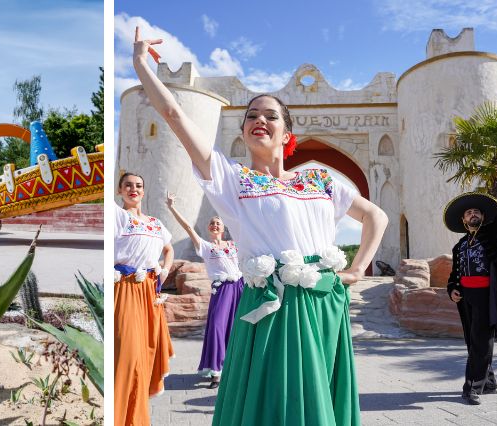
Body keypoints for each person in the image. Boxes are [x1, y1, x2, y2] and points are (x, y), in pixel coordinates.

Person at [132, 27, 388, 425]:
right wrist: (140, 66)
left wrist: (356, 269)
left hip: (323, 301)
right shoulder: (232, 180)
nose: (259, 120)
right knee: (273, 404)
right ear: (244, 131)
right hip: (271, 303)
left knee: (318, 401)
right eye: (251, 115)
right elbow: (174, 114)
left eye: (271, 116)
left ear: (288, 134)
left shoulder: (319, 181)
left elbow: (377, 216)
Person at [445, 164, 497, 404]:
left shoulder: (491, 234)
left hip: (488, 296)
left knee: (480, 341)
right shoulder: (459, 246)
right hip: (466, 298)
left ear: (482, 217)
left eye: (477, 212)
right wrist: (452, 289)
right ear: (463, 219)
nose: (473, 215)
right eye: (469, 213)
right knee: (473, 340)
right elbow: (454, 275)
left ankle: (473, 387)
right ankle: (488, 382)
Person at [114, 172, 174, 425]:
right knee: (127, 355)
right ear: (119, 190)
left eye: (138, 185)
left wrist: (164, 271)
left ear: (144, 190)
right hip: (126, 289)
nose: (133, 189)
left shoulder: (156, 223)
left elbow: (168, 249)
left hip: (150, 291)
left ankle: (137, 417)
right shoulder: (118, 217)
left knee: (145, 354)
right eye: (128, 185)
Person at [165, 192, 243, 389]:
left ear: (224, 228)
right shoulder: (205, 247)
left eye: (218, 223)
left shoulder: (234, 245)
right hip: (222, 289)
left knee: (237, 329)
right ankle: (216, 371)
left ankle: (235, 369)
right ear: (209, 229)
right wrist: (172, 207)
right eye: (212, 223)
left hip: (240, 288)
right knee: (217, 326)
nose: (215, 225)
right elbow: (189, 227)